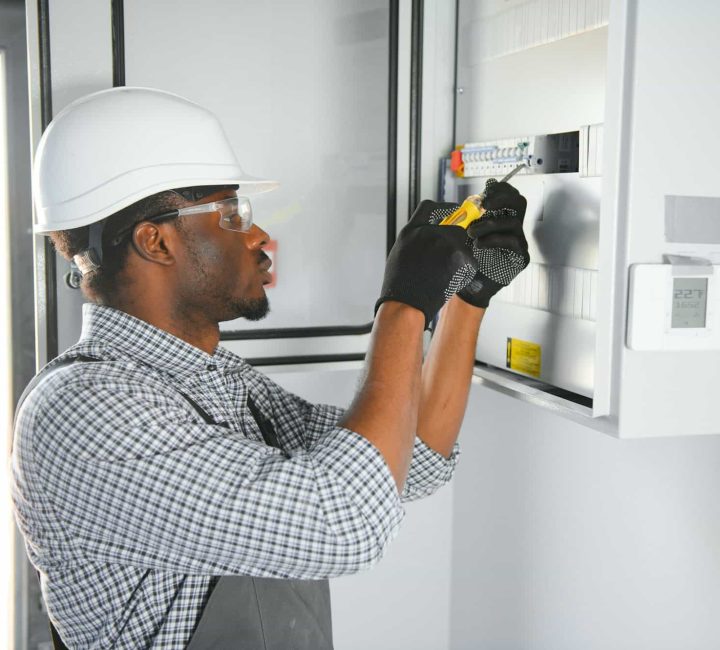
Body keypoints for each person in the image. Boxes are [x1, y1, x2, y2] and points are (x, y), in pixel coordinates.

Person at [11, 87, 528, 649]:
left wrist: (468, 296)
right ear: (154, 241)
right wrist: (403, 302)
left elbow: (412, 459)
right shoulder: (84, 410)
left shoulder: (213, 381)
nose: (260, 236)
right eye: (231, 214)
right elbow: (348, 523)